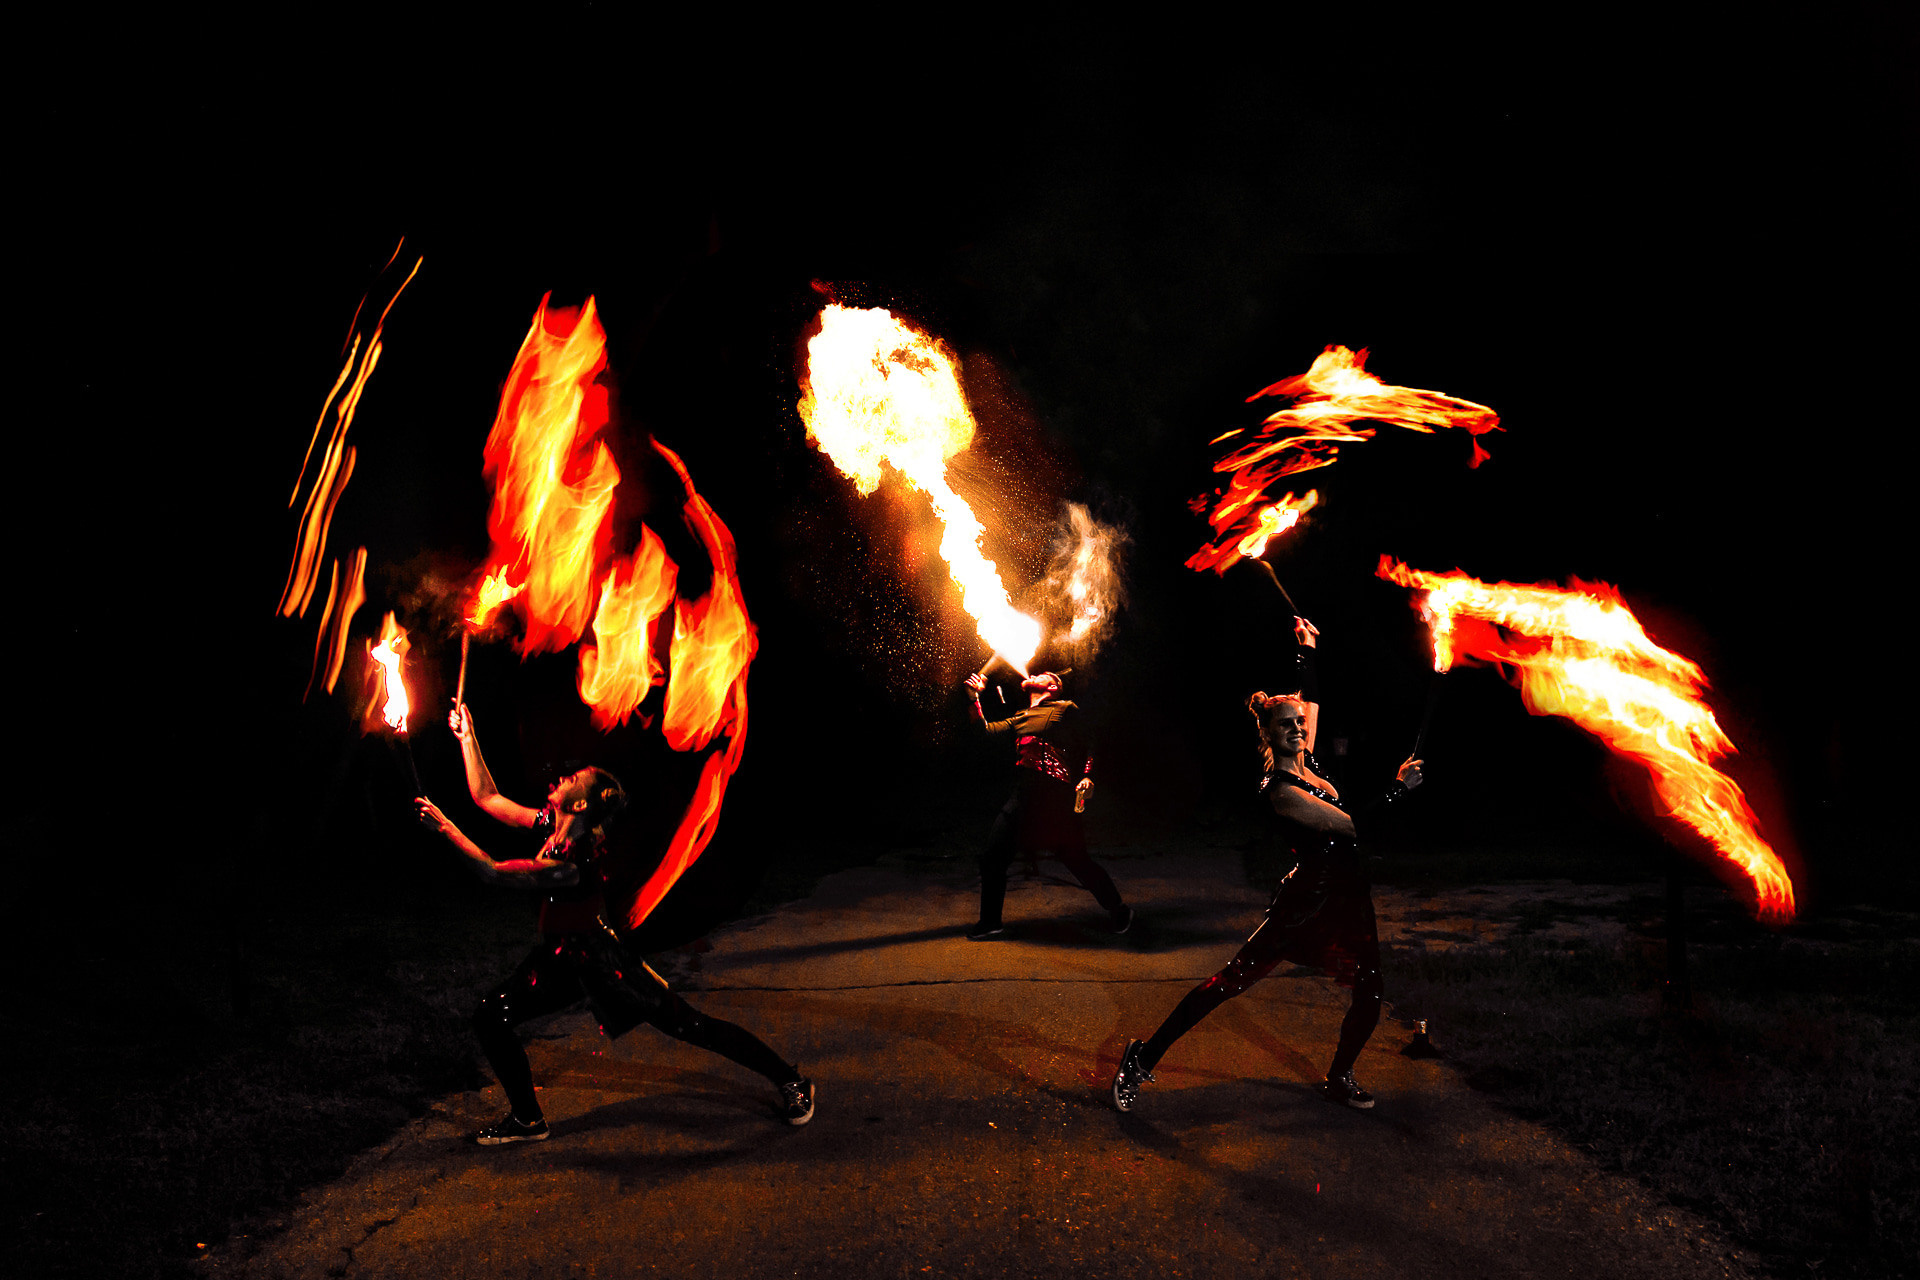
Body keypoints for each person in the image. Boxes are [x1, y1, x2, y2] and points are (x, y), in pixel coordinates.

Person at [415, 702, 814, 1145]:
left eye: (573, 779)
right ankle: (527, 1119)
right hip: (559, 959)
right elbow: (487, 798)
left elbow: (492, 871)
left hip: (603, 962)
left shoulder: (574, 864)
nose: (562, 778)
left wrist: (446, 829)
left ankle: (791, 1079)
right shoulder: (551, 825)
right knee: (491, 1015)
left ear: (580, 803)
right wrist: (468, 737)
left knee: (689, 1026)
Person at [1110, 618, 1422, 1112]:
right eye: (1285, 724)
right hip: (1305, 906)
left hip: (1347, 902)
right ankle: (1141, 1058)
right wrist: (1397, 789)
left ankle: (1339, 1077)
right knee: (1229, 982)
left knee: (1370, 988)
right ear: (1268, 733)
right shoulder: (1281, 791)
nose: (1297, 728)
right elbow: (1351, 826)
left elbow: (1311, 699)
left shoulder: (1309, 764)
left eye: (1299, 723)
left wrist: (1307, 648)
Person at [962, 668, 1132, 940]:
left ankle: (1119, 910)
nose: (1035, 674)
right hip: (1023, 795)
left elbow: (1090, 741)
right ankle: (991, 921)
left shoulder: (1064, 708)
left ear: (1053, 687)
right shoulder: (1021, 716)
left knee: (1075, 859)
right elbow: (983, 732)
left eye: (1045, 675)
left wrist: (1087, 775)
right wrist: (974, 699)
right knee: (993, 857)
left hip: (1055, 797)